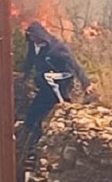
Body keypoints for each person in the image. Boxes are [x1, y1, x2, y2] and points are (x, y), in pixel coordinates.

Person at [20, 21, 94, 169]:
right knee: (33, 115)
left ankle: (35, 149)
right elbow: (29, 61)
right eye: (30, 36)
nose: (32, 39)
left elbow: (74, 64)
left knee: (42, 115)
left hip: (59, 84)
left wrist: (86, 83)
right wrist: (24, 75)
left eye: (33, 36)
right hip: (45, 85)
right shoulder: (33, 46)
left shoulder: (57, 48)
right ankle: (27, 146)